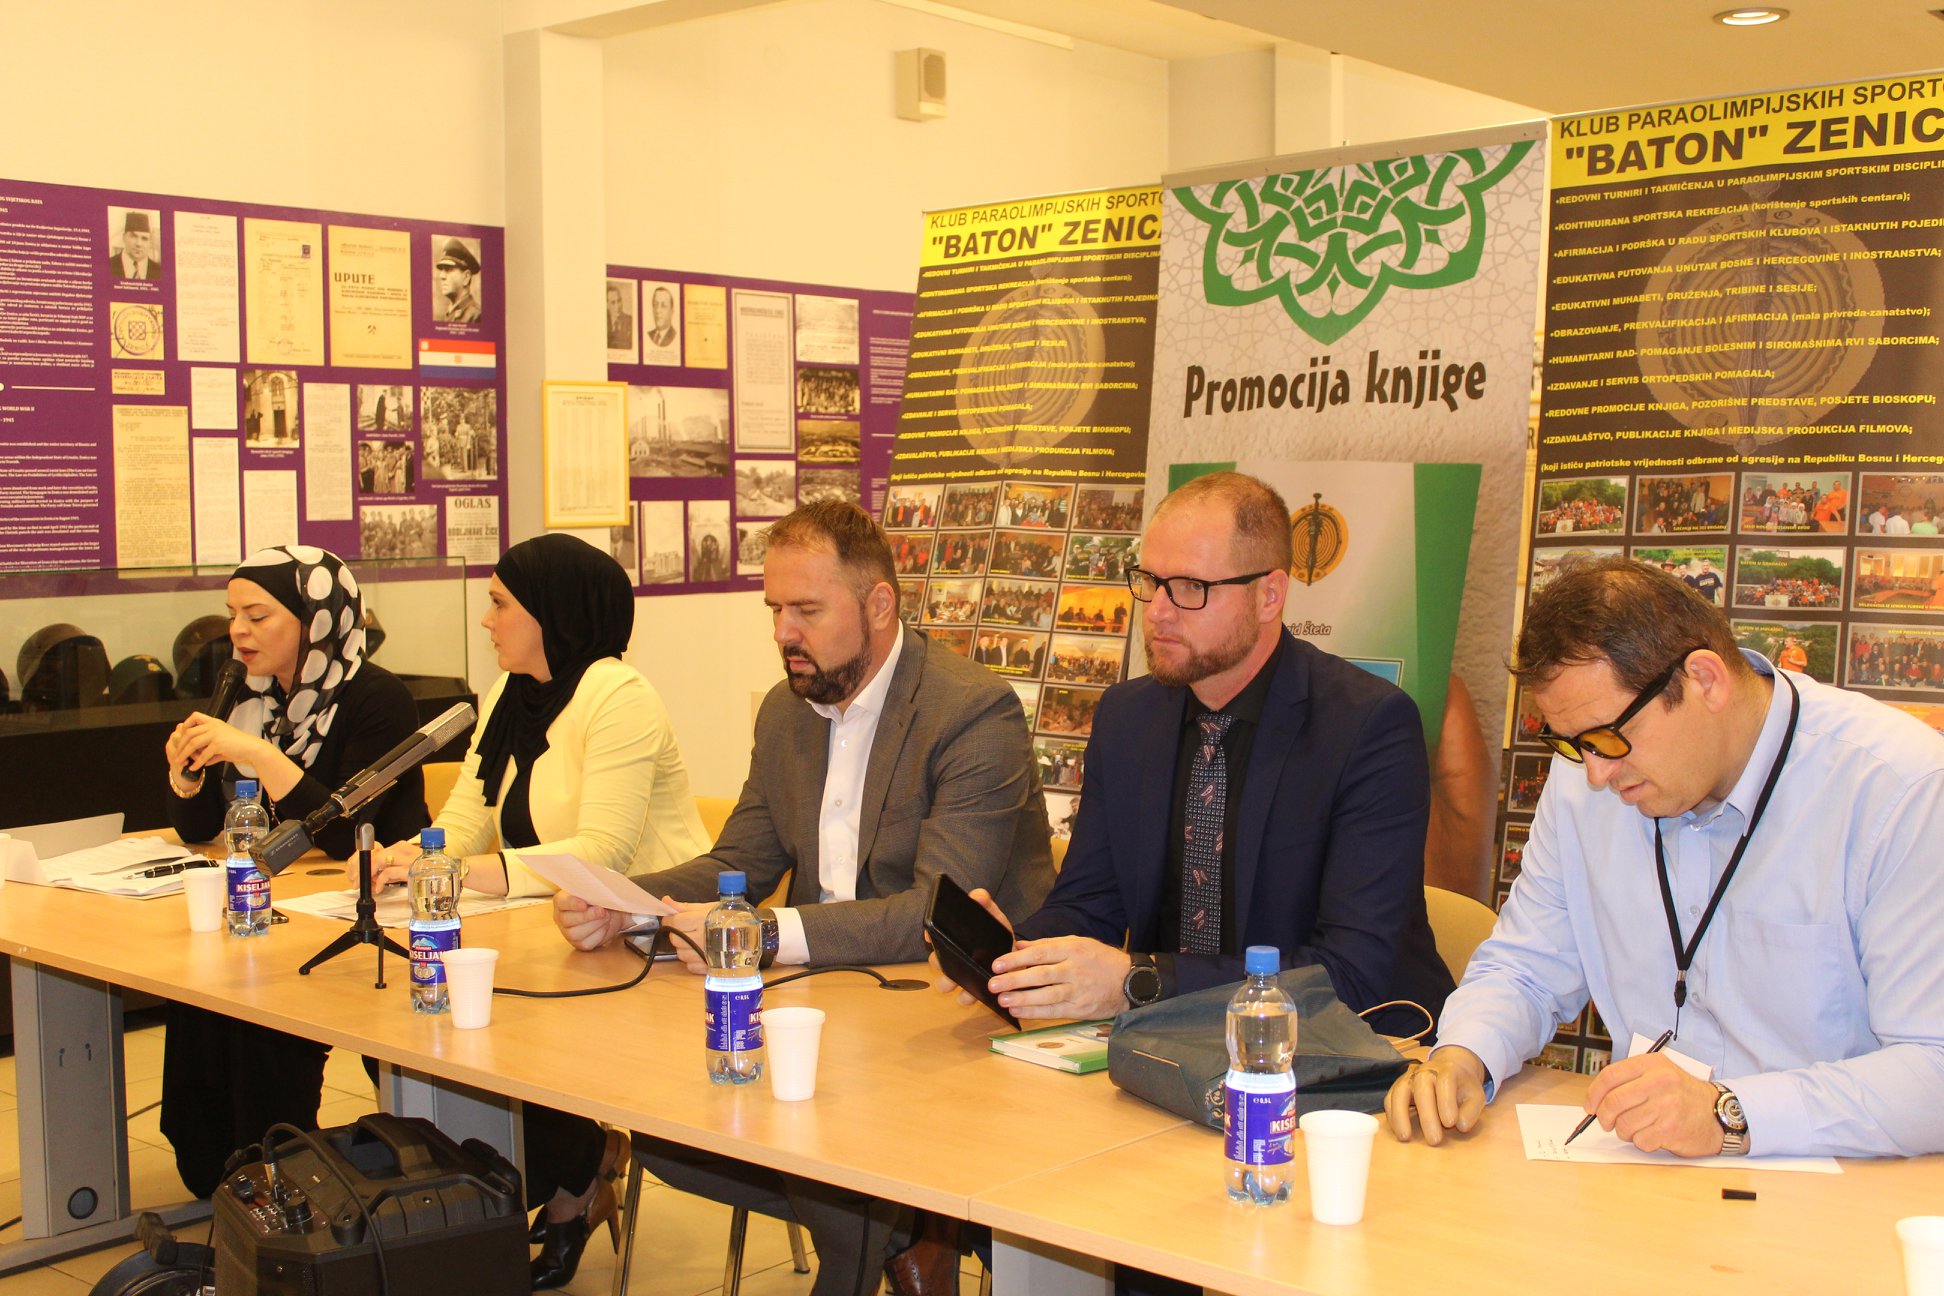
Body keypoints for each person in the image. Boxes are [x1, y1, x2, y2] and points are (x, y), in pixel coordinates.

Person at [931, 472, 1451, 1296]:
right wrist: (1016, 952)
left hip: (1342, 1083)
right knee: (1016, 1184)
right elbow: (1091, 902)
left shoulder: (1367, 726)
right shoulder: (1129, 716)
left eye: (1191, 588)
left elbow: (1350, 975)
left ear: (1271, 594)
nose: (1159, 611)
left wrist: (1136, 980)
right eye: (1149, 581)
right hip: (1173, 1071)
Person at [552, 500, 1055, 1296]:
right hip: (832, 1014)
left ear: (879, 605)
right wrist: (623, 902)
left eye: (807, 611)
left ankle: (901, 1230)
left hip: (949, 1027)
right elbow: (739, 863)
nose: (784, 632)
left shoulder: (970, 712)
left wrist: (760, 935)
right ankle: (908, 1233)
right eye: (774, 610)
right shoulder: (786, 712)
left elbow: (936, 912)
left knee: (828, 1159)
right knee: (674, 1137)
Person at [1386, 556, 1944, 1160]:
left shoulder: (1899, 790)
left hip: (1836, 1181)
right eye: (1573, 745)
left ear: (1705, 680)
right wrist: (1462, 1056)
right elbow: (1527, 965)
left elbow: (1933, 1066)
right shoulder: (1587, 778)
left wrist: (1728, 1111)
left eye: (1608, 738)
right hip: (1642, 1169)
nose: (1595, 774)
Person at [363, 532, 709, 1289]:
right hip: (559, 930)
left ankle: (573, 1177)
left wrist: (460, 872)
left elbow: (602, 851)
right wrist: (413, 855)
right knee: (406, 1019)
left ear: (552, 613)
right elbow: (464, 819)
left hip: (646, 937)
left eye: (499, 604)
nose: (486, 621)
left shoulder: (618, 696)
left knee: (499, 1027)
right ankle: (519, 1182)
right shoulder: (508, 695)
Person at [160, 545, 429, 1200]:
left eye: (257, 617)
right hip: (284, 902)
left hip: (377, 909)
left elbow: (340, 834)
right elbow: (203, 829)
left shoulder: (376, 697)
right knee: (200, 990)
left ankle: (280, 1164)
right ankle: (223, 1165)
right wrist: (183, 777)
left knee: (264, 1003)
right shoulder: (248, 697)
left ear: (316, 622)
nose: (238, 632)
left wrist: (257, 755)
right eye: (232, 615)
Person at [436, 237, 482, 323]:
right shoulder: (450, 314)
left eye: (448, 269)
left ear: (466, 277)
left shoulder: (477, 316)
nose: (442, 276)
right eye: (441, 270)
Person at [109, 210, 164, 280]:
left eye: (144, 238)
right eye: (133, 236)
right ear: (124, 237)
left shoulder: (159, 271)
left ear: (150, 242)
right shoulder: (108, 266)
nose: (138, 244)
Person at [645, 284, 677, 349]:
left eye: (664, 306)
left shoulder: (674, 336)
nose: (658, 310)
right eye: (655, 305)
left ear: (672, 311)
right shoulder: (649, 335)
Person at [605, 282, 634, 349]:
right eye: (613, 302)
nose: (617, 306)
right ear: (607, 305)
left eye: (619, 301)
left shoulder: (631, 321)